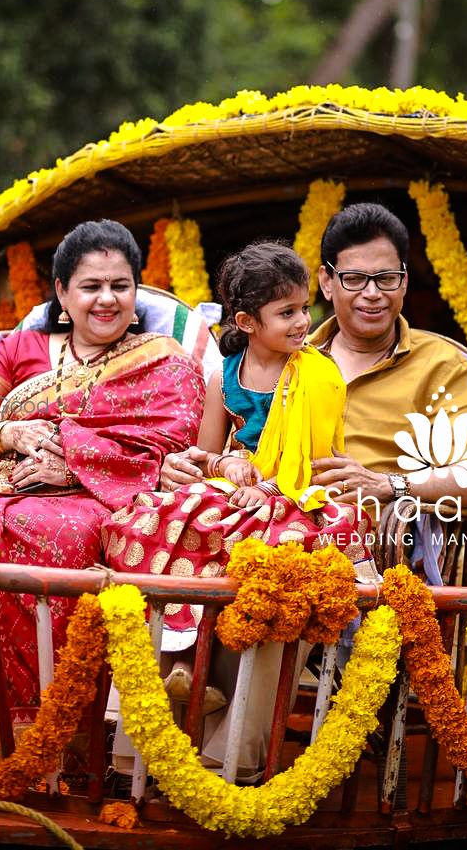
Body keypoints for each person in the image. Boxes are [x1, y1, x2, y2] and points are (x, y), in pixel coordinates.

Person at [0, 219, 205, 734]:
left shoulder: (164, 363)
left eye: (120, 286)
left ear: (134, 291)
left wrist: (73, 461)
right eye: (90, 286)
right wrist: (9, 435)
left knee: (57, 535)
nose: (107, 300)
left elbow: (164, 451)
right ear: (61, 293)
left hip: (104, 497)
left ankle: (58, 727)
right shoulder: (22, 349)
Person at [102, 244, 366, 661]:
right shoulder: (224, 378)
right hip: (236, 490)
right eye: (287, 313)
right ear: (246, 322)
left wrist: (271, 490)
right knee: (163, 514)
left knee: (271, 542)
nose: (303, 322)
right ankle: (181, 652)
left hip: (300, 494)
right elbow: (204, 456)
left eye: (304, 308)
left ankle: (222, 654)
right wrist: (224, 462)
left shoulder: (319, 373)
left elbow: (319, 463)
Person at [164, 203, 467, 538]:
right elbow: (213, 455)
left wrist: (385, 484)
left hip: (372, 539)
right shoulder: (285, 352)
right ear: (326, 281)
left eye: (387, 279)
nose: (372, 293)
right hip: (258, 520)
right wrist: (185, 469)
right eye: (354, 279)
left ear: (404, 281)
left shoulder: (441, 365)